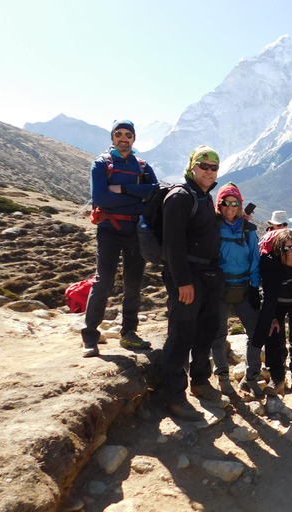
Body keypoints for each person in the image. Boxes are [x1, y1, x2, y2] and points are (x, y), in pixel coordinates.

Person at [81, 120, 158, 358]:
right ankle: (90, 336)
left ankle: (129, 333)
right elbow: (101, 199)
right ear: (112, 137)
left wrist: (122, 190)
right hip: (109, 231)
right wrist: (138, 199)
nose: (124, 138)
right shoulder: (101, 164)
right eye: (119, 134)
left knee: (133, 284)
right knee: (103, 281)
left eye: (128, 135)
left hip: (136, 232)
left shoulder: (143, 166)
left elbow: (155, 191)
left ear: (134, 138)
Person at [162, 145, 223, 421]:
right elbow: (173, 244)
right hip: (187, 278)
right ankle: (174, 397)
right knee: (181, 335)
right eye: (204, 166)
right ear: (192, 166)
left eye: (214, 167)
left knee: (205, 331)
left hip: (208, 276)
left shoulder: (204, 197)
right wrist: (182, 282)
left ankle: (199, 381)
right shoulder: (180, 197)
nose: (209, 171)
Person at [210, 183, 262, 399]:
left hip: (243, 287)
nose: (230, 207)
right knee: (219, 333)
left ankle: (251, 377)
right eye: (226, 203)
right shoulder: (212, 227)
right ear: (219, 205)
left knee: (256, 332)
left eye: (235, 203)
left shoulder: (248, 230)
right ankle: (222, 375)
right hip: (219, 288)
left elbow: (254, 259)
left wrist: (254, 286)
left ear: (240, 205)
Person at [255, 229, 292, 398]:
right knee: (273, 339)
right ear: (279, 249)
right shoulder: (271, 264)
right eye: (285, 249)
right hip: (276, 306)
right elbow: (264, 289)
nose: (290, 252)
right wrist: (271, 317)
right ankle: (277, 378)